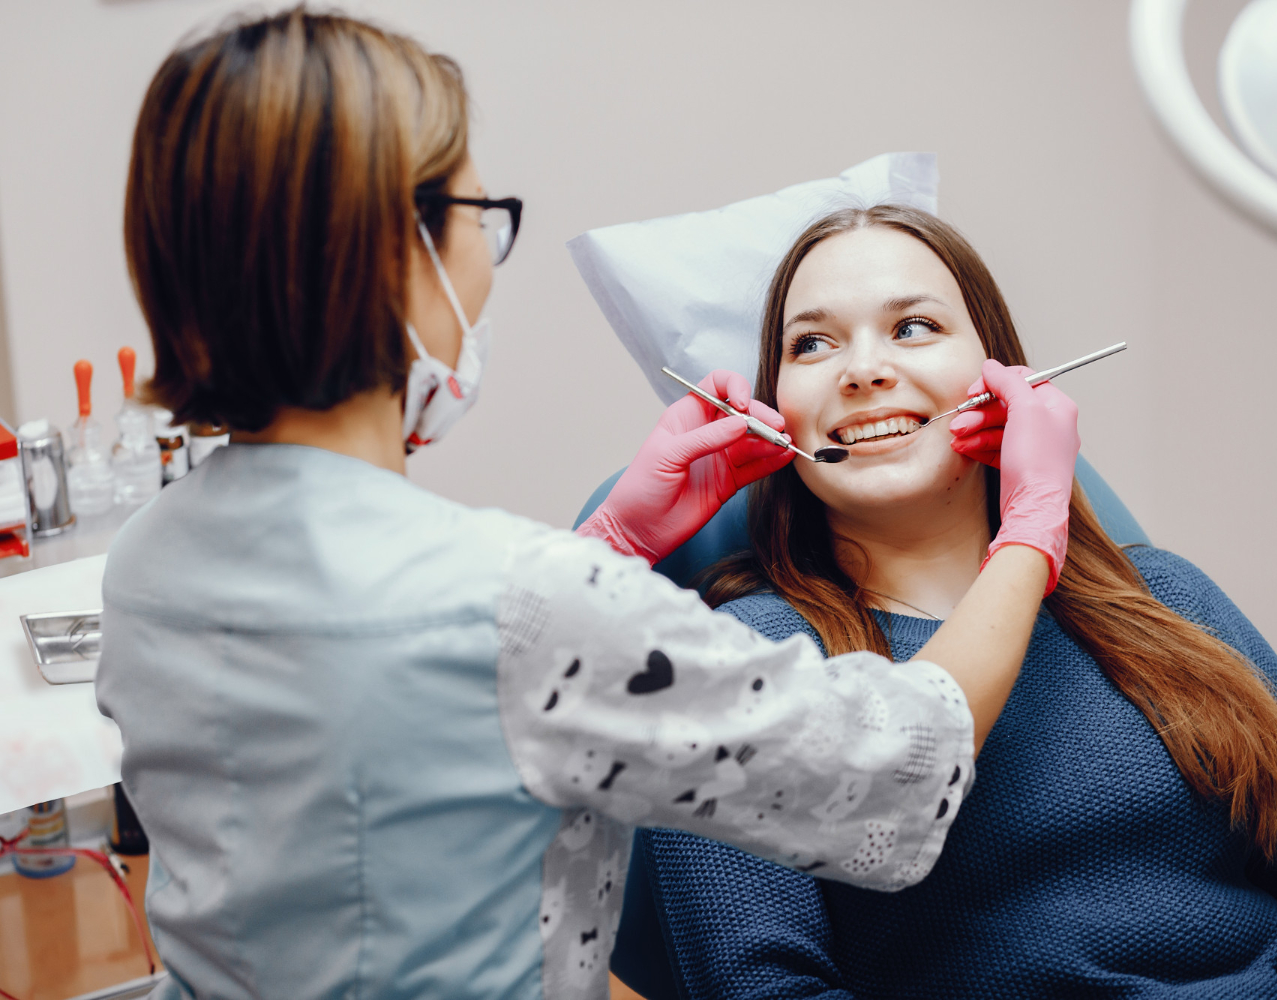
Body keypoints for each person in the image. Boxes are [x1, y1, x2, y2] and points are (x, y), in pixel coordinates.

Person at [94, 12, 1079, 1000]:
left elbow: (414, 707)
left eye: (912, 325)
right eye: (478, 216)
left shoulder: (147, 560)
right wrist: (1032, 528)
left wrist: (608, 544)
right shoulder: (524, 601)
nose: (867, 372)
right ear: (396, 253)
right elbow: (896, 769)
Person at [639, 204, 1277, 999]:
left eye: (912, 327)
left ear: (1004, 377)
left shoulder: (1166, 597)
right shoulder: (734, 668)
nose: (863, 370)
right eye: (812, 343)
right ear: (769, 414)